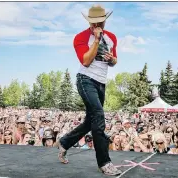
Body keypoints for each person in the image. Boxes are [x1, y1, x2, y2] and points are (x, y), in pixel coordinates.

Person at [57, 4, 122, 176]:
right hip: (85, 80)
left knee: (90, 121)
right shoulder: (80, 37)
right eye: (93, 23)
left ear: (104, 20)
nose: (97, 26)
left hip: (101, 83)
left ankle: (64, 142)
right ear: (89, 23)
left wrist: (112, 59)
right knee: (99, 116)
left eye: (100, 22)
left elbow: (115, 62)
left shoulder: (112, 38)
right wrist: (96, 40)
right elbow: (85, 61)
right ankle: (104, 163)